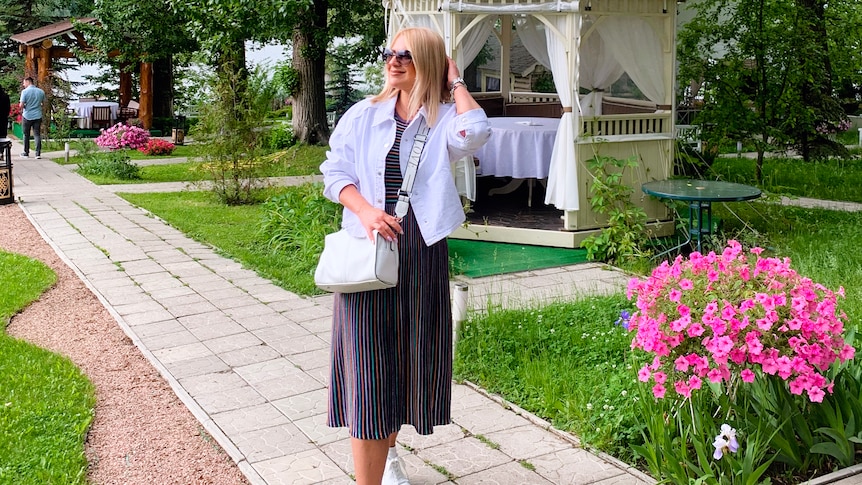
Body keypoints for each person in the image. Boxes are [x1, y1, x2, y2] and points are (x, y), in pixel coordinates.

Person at [320, 27, 490, 485]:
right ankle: (370, 476)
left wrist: (454, 80)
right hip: (371, 247)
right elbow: (334, 173)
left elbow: (477, 132)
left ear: (429, 64)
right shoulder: (363, 114)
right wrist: (367, 211)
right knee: (370, 361)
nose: (393, 62)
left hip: (421, 250)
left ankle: (389, 452)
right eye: (389, 53)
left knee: (406, 359)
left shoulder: (443, 120)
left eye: (407, 56)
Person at [20, 77, 45, 159]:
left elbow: (21, 105)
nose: (23, 85)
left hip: (27, 115)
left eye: (24, 83)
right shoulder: (41, 91)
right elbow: (43, 103)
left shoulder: (24, 92)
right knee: (37, 134)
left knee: (26, 134)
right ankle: (38, 154)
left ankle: (26, 152)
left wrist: (25, 107)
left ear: (28, 82)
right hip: (38, 115)